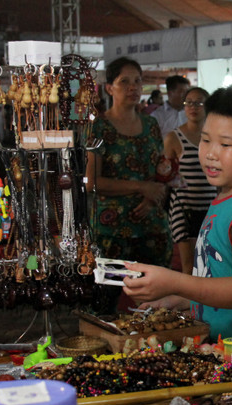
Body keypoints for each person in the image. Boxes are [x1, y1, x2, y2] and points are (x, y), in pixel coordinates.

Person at [122, 83, 232, 372]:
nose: (211, 154)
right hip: (226, 352)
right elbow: (220, 275)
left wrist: (174, 282)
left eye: (225, 145)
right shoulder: (230, 193)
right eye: (205, 140)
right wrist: (180, 299)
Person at [86, 57, 171, 281]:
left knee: (156, 293)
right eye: (124, 81)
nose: (133, 87)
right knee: (108, 293)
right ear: (109, 88)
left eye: (137, 81)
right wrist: (141, 187)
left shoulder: (151, 125)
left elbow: (161, 172)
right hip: (112, 230)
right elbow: (92, 182)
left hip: (152, 225)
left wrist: (152, 196)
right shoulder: (98, 127)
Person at [163, 86, 217, 275]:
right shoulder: (173, 138)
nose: (193, 107)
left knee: (209, 263)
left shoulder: (215, 137)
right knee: (189, 266)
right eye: (189, 103)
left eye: (199, 103)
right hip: (183, 207)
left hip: (211, 206)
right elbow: (165, 174)